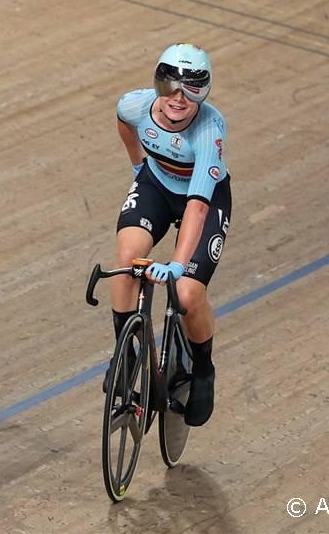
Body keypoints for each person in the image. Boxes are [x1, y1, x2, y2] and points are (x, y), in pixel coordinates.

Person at [110, 44, 229, 429]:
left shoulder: (210, 128)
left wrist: (177, 266)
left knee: (189, 293)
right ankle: (126, 356)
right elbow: (123, 123)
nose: (180, 98)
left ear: (204, 93)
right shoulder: (135, 106)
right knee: (126, 260)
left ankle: (204, 367)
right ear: (159, 84)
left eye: (193, 89)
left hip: (203, 197)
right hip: (157, 185)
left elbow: (196, 207)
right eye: (173, 86)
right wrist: (137, 168)